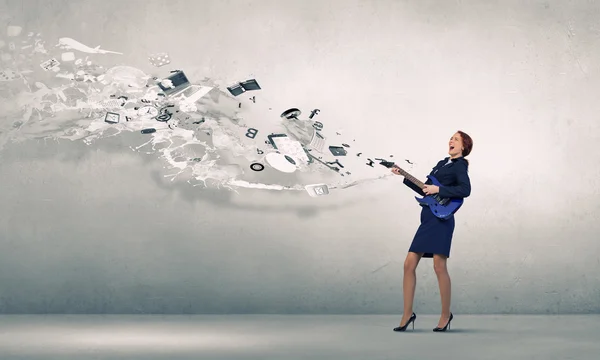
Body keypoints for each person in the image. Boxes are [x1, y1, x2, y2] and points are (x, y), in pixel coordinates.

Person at [391, 130, 473, 332]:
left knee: (439, 266)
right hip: (428, 217)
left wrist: (439, 190)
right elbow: (426, 190)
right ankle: (407, 314)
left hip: (442, 220)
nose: (451, 141)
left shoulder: (461, 165)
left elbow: (465, 190)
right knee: (408, 264)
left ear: (463, 146)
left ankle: (446, 315)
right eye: (450, 138)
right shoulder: (440, 164)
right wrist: (403, 174)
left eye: (455, 139)